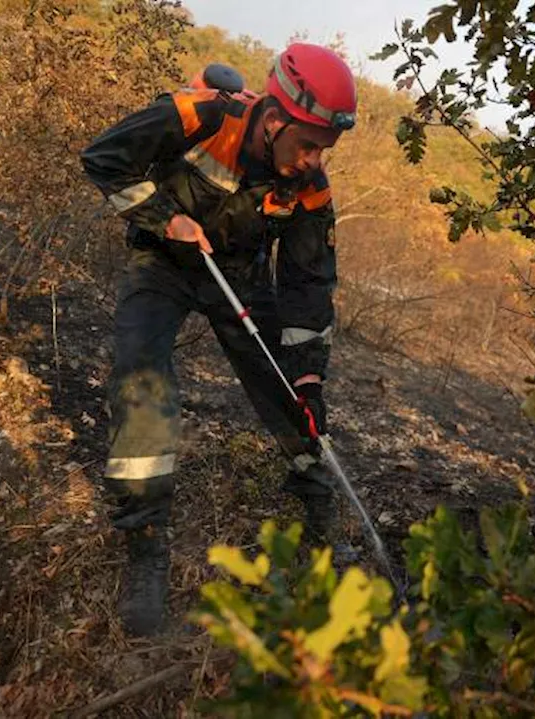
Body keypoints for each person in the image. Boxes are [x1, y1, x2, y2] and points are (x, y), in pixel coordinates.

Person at [79, 43, 357, 636]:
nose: (312, 160)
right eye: (306, 144)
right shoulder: (200, 115)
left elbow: (309, 284)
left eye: (323, 150)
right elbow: (104, 159)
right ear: (277, 118)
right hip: (164, 263)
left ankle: (315, 496)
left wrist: (308, 374)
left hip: (238, 276)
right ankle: (145, 538)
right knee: (142, 381)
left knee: (291, 387)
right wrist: (163, 218)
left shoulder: (310, 184)